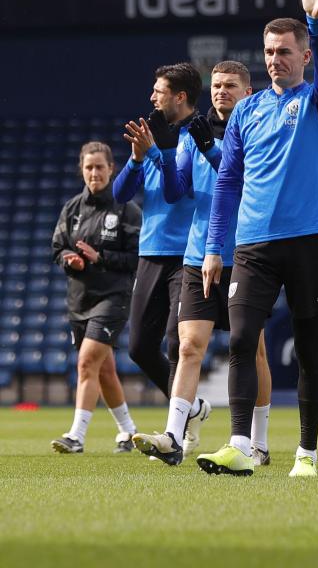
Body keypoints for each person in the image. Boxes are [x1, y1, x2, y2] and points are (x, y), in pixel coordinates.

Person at [196, 0, 318, 478]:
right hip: (253, 245)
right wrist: (216, 247)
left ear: (303, 56)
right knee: (239, 341)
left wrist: (316, 24)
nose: (274, 59)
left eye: (284, 51)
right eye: (269, 51)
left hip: (305, 241)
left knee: (307, 351)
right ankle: (240, 444)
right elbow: (228, 183)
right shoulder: (246, 113)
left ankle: (306, 453)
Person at [131, 61, 273, 466]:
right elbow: (178, 192)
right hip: (197, 254)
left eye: (230, 85)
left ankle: (259, 443)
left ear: (247, 92)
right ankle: (173, 436)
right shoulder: (192, 133)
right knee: (190, 345)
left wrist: (210, 149)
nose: (220, 91)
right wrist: (157, 154)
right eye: (216, 85)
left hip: (245, 254)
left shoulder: (257, 130)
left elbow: (243, 184)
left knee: (253, 350)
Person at [114, 63, 199, 430]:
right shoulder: (151, 136)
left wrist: (160, 153)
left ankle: (175, 432)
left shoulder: (198, 136)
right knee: (139, 348)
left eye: (159, 91)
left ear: (180, 97)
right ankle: (191, 409)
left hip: (186, 254)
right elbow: (120, 194)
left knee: (177, 343)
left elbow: (175, 192)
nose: (152, 97)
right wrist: (136, 158)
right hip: (150, 253)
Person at [51, 142, 142, 453]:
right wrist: (69, 260)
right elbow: (57, 248)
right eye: (89, 167)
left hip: (113, 297)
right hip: (79, 300)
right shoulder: (72, 208)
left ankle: (76, 436)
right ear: (82, 170)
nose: (94, 173)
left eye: (100, 167)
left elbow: (137, 257)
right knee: (104, 370)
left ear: (111, 169)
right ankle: (128, 432)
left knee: (87, 361)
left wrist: (100, 257)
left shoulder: (126, 209)